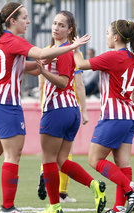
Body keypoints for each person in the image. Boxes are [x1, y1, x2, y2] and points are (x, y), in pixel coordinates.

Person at [0, 2, 89, 213]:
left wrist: (42, 66)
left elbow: (23, 66)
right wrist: (71, 47)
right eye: (24, 18)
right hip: (6, 106)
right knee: (12, 156)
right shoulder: (14, 40)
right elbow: (41, 53)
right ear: (12, 20)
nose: (28, 22)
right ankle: (8, 209)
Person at [33, 10, 105, 213]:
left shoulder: (64, 50)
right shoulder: (57, 49)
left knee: (48, 159)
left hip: (57, 110)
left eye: (61, 25)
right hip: (70, 110)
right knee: (62, 160)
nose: (56, 27)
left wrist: (44, 72)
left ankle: (54, 206)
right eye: (55, 23)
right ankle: (94, 186)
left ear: (70, 30)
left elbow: (64, 82)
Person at [74, 19, 134, 213]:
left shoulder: (112, 57)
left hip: (114, 116)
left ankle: (131, 188)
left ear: (115, 37)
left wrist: (74, 47)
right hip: (129, 115)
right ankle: (119, 209)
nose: (105, 37)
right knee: (123, 164)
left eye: (107, 33)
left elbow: (80, 64)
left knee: (94, 159)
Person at [36, 46, 89, 204]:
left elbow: (41, 85)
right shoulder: (74, 54)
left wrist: (42, 106)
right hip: (70, 107)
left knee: (48, 156)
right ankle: (62, 193)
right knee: (65, 156)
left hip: (51, 107)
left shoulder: (44, 52)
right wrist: (84, 110)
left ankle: (43, 175)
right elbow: (78, 85)